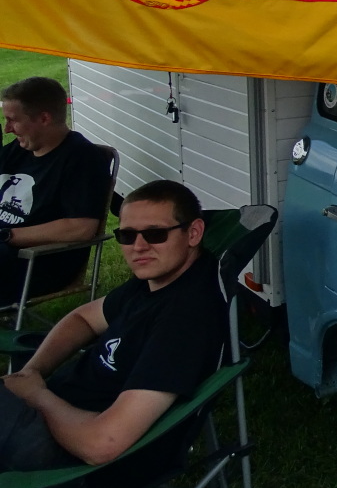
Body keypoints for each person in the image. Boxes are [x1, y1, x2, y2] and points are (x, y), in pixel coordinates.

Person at [0, 180, 225, 473]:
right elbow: (83, 318)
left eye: (155, 234)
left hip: (67, 457)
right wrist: (32, 372)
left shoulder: (184, 321)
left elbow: (102, 445)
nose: (139, 247)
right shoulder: (158, 280)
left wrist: (36, 396)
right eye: (127, 235)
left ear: (193, 232)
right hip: (52, 415)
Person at [1, 77, 112, 306]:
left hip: (35, 263)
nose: (7, 129)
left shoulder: (82, 160)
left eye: (13, 120)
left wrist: (7, 235)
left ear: (44, 118)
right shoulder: (19, 150)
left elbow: (81, 228)